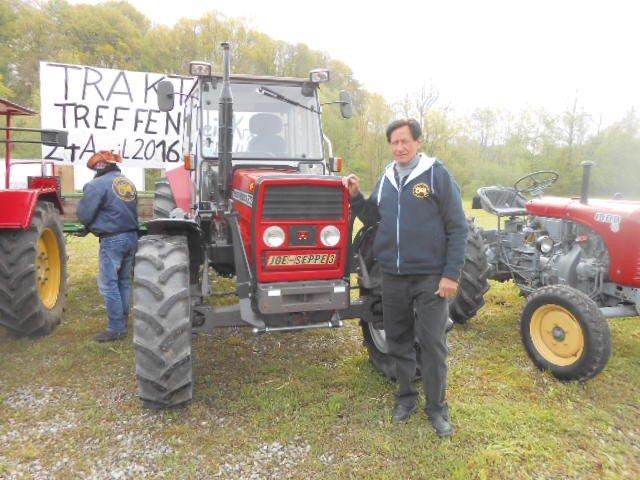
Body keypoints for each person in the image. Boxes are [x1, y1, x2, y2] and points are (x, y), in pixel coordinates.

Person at [343, 119, 468, 437]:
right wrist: (357, 197)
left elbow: (457, 226)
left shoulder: (436, 174)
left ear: (418, 142)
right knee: (398, 340)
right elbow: (374, 218)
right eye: (394, 142)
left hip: (430, 278)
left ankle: (438, 409)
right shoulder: (386, 178)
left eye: (405, 141)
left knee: (432, 344)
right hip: (393, 277)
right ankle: (405, 398)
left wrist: (451, 274)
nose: (399, 147)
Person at [76, 151, 139, 342]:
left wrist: (88, 226)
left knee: (108, 284)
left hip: (112, 239)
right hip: (131, 236)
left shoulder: (96, 185)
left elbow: (85, 214)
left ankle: (116, 328)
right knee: (124, 282)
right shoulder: (127, 183)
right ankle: (123, 321)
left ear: (99, 166)